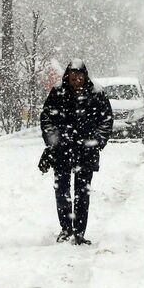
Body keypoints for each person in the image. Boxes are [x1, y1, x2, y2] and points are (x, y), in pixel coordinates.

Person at [39, 61, 113, 245]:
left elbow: (106, 120)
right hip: (61, 151)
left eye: (79, 75)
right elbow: (46, 118)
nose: (76, 79)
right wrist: (53, 141)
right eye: (72, 75)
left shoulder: (96, 93)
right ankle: (66, 229)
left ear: (85, 76)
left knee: (82, 193)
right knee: (62, 191)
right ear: (67, 76)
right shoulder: (58, 93)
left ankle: (79, 232)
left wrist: (96, 142)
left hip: (86, 152)